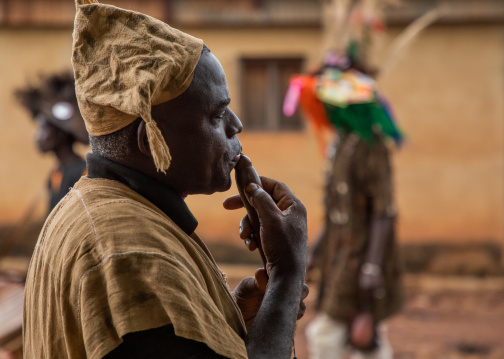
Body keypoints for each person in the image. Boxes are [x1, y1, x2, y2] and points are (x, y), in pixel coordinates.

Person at [23, 1, 308, 359]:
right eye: (217, 114)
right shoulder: (131, 255)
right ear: (151, 140)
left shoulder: (108, 211)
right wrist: (287, 273)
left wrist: (231, 320)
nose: (236, 126)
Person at [305, 109, 403, 359]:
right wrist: (313, 252)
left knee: (328, 334)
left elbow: (385, 212)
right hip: (339, 258)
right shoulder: (341, 142)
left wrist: (372, 267)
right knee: (360, 335)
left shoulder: (372, 143)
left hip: (360, 259)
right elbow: (337, 212)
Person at [15, 72, 89, 212]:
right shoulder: (56, 175)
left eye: (43, 129)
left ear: (60, 134)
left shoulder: (82, 173)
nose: (37, 136)